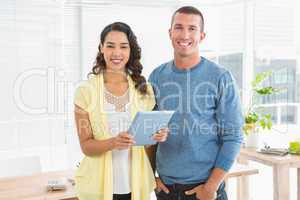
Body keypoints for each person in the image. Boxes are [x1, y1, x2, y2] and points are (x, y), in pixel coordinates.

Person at [147, 6, 244, 200]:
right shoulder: (156, 76)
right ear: (170, 32)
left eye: (192, 28)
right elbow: (148, 133)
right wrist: (151, 177)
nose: (184, 34)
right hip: (165, 190)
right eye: (179, 27)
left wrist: (211, 186)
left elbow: (234, 136)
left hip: (204, 190)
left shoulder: (220, 77)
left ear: (202, 35)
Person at [74, 22, 168, 200]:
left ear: (130, 50)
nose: (117, 53)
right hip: (96, 187)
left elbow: (146, 145)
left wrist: (156, 137)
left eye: (123, 46)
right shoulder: (85, 91)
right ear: (102, 48)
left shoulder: (144, 90)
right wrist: (112, 143)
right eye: (110, 46)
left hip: (136, 184)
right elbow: (86, 145)